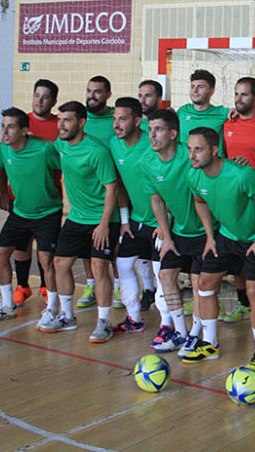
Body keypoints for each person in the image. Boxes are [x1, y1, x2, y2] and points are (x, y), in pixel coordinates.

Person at [184, 127, 255, 370]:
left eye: (198, 149)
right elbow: (199, 201)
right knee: (205, 284)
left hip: (254, 238)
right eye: (190, 149)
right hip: (225, 237)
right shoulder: (194, 176)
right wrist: (210, 236)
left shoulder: (243, 175)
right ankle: (209, 342)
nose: (192, 155)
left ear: (214, 150)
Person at [37, 101, 119, 343]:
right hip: (76, 217)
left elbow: (112, 187)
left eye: (67, 120)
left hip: (102, 218)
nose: (61, 125)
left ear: (82, 123)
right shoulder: (61, 145)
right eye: (60, 120)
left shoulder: (97, 151)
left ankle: (104, 322)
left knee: (99, 267)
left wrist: (104, 224)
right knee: (61, 263)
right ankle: (67, 316)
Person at [144, 109, 211, 356]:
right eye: (150, 130)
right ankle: (181, 332)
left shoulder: (191, 155)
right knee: (166, 276)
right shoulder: (148, 163)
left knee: (197, 283)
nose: (152, 136)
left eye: (158, 130)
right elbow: (157, 201)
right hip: (179, 231)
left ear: (173, 134)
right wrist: (166, 234)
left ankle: (196, 333)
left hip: (205, 232)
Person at [0, 108, 62, 322]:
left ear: (25, 131)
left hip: (48, 213)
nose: (5, 131)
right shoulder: (4, 150)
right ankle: (8, 305)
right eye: (3, 126)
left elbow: (68, 167)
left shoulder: (44, 150)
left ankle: (53, 308)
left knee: (46, 260)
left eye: (10, 127)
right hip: (20, 213)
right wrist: (2, 192)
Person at [109, 97, 161, 334]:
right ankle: (134, 319)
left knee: (163, 276)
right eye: (115, 119)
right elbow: (118, 183)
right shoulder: (114, 144)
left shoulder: (152, 144)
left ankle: (169, 325)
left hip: (162, 223)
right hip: (136, 220)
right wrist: (124, 220)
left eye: (123, 119)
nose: (117, 124)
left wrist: (167, 223)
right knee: (123, 263)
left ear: (138, 121)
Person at [11, 78, 60, 306]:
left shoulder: (59, 126)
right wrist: (3, 192)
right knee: (21, 245)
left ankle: (44, 285)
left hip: (48, 197)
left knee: (45, 249)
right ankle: (22, 285)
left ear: (53, 101)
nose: (40, 100)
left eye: (45, 96)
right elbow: (3, 156)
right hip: (19, 197)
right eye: (37, 95)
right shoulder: (20, 123)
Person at [77, 75, 117, 309]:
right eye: (89, 91)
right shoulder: (80, 120)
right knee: (86, 245)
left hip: (115, 191)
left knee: (114, 245)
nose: (92, 96)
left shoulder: (116, 118)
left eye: (97, 92)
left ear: (108, 95)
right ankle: (91, 284)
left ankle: (120, 285)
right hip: (86, 195)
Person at [135, 79, 164, 310]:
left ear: (159, 99)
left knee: (160, 260)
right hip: (140, 205)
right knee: (140, 254)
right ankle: (148, 289)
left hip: (162, 205)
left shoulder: (166, 126)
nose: (143, 100)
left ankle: (166, 305)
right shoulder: (133, 127)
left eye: (148, 96)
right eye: (140, 95)